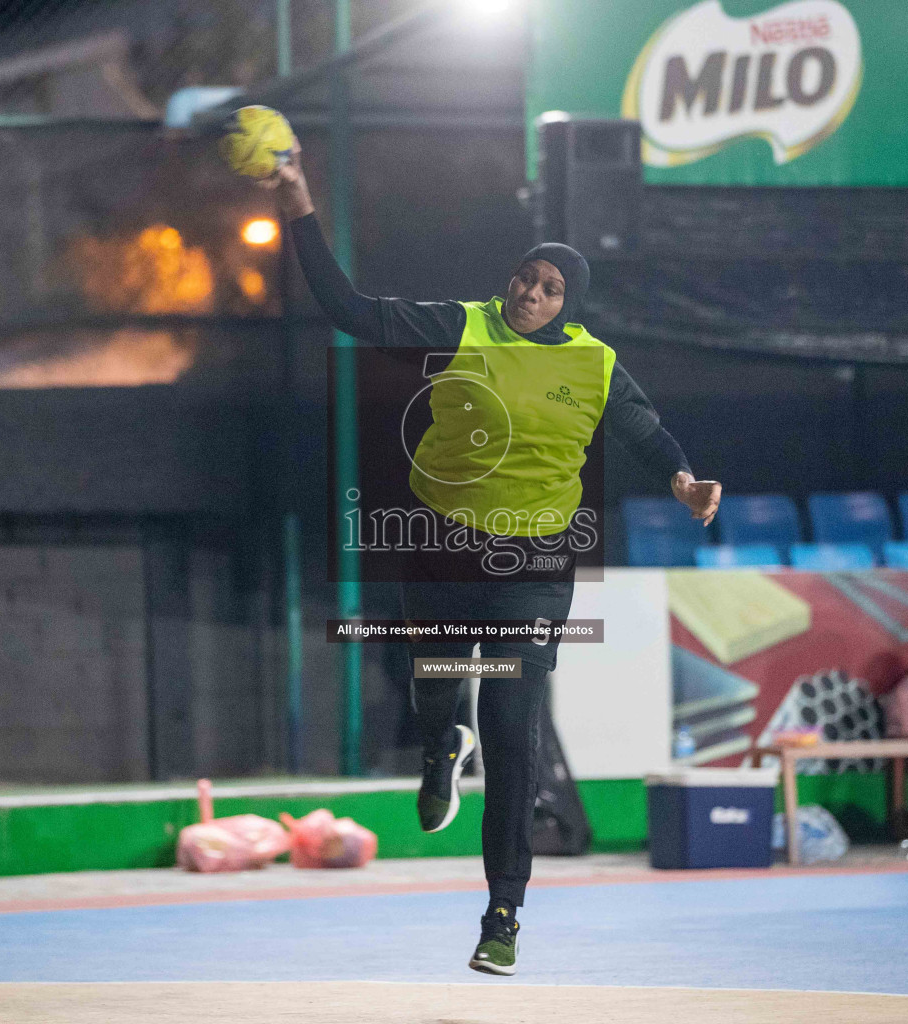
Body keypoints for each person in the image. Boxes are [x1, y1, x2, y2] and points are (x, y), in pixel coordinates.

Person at [262, 140, 720, 974]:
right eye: (526, 277)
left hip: (531, 577)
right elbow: (349, 308)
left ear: (570, 302)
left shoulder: (594, 364)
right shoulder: (462, 324)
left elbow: (650, 438)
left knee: (516, 725)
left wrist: (685, 483)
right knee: (437, 691)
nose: (532, 294)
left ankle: (502, 911)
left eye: (551, 288)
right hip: (439, 554)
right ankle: (442, 744)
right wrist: (297, 200)